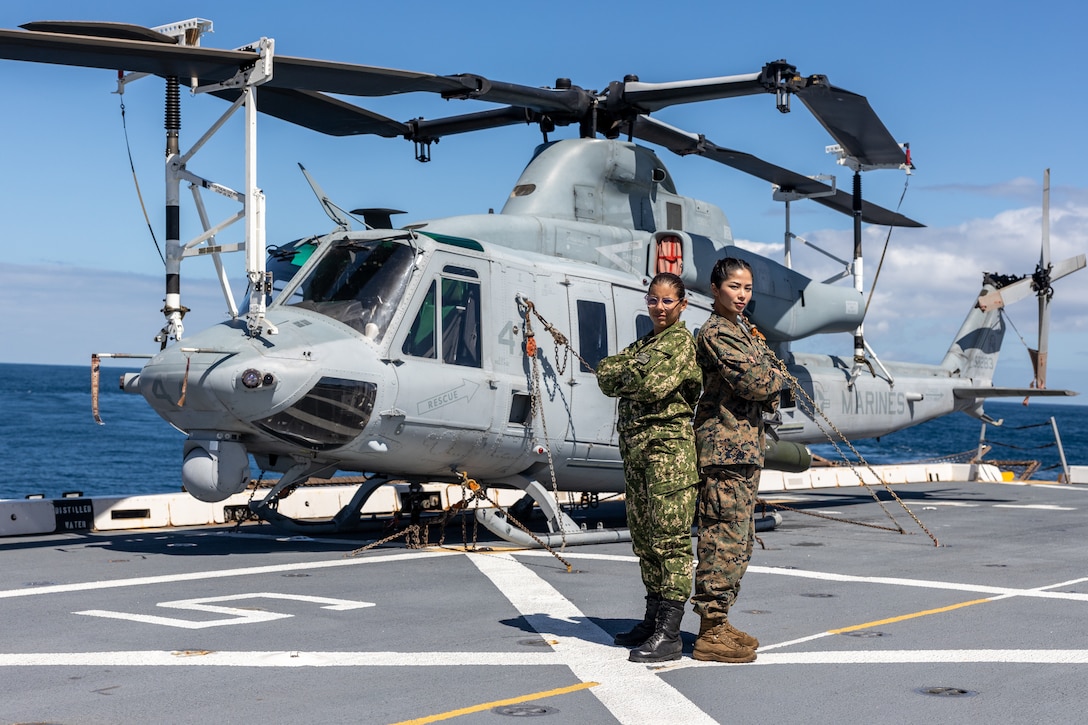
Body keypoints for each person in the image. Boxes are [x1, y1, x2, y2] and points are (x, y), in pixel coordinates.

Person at [596, 272, 702, 663]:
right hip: (640, 454)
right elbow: (606, 372)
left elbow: (648, 383)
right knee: (645, 539)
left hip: (668, 457)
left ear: (682, 304)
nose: (659, 307)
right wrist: (621, 373)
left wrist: (621, 373)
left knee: (669, 541)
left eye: (667, 301)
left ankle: (670, 633)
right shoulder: (647, 343)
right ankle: (653, 617)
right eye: (653, 300)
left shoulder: (680, 344)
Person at [691, 257, 786, 663]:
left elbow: (770, 376)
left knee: (740, 540)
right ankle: (709, 631)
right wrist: (775, 378)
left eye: (747, 288)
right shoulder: (717, 332)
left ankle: (721, 620)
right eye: (734, 287)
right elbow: (759, 382)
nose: (742, 295)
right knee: (722, 538)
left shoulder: (743, 331)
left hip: (743, 450)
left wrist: (772, 376)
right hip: (724, 451)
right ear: (715, 289)